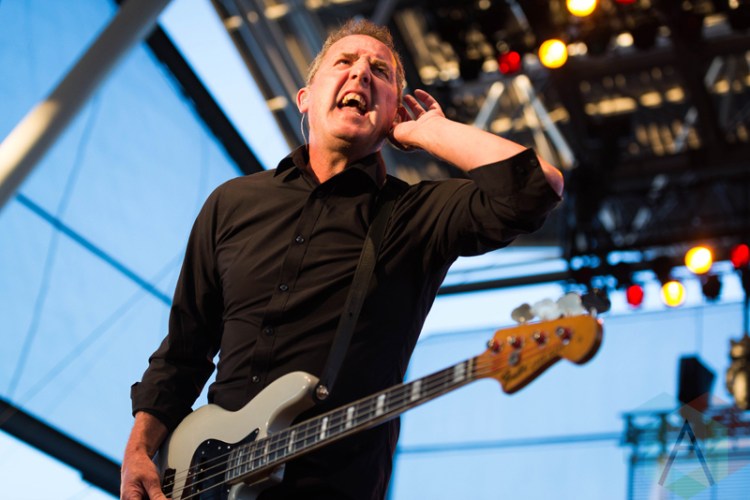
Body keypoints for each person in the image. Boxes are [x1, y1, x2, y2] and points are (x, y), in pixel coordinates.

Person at [120, 18, 563, 500]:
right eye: (344, 62)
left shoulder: (417, 215)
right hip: (202, 481)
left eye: (381, 71)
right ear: (305, 98)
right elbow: (184, 351)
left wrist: (431, 130)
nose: (361, 73)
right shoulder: (233, 203)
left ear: (394, 111)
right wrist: (139, 450)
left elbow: (536, 187)